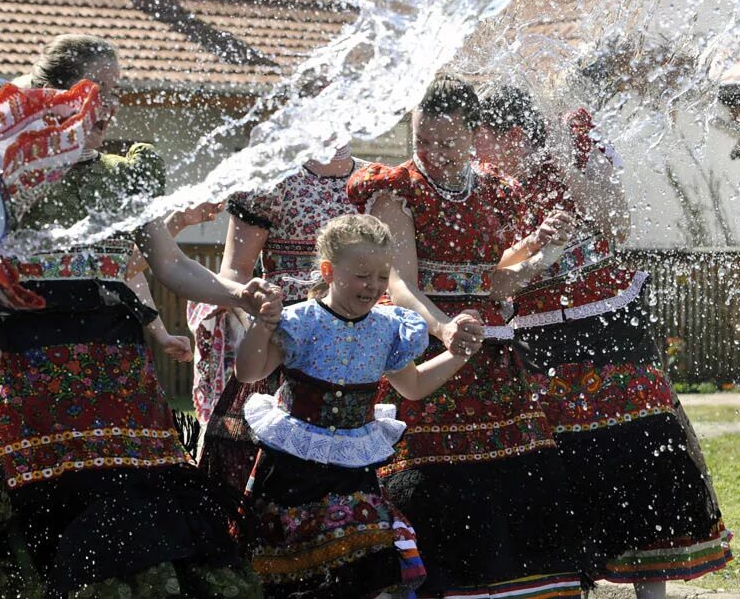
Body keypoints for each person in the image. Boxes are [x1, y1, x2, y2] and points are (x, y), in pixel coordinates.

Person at [0, 34, 274, 598]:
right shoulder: (3, 168)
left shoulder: (128, 174)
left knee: (139, 517)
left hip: (117, 379)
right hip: (27, 377)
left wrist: (236, 295)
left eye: (117, 93)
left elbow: (171, 264)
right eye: (99, 91)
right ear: (54, 95)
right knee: (37, 527)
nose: (110, 108)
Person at [476, 86, 732, 596]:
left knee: (638, 443)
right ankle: (578, 581)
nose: (471, 148)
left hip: (608, 316)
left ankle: (651, 587)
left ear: (509, 134)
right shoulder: (482, 187)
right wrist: (536, 252)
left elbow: (616, 223)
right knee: (559, 455)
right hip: (535, 330)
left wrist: (565, 161)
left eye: (478, 136)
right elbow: (492, 276)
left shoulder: (576, 137)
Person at [347, 76, 583, 598]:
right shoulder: (397, 190)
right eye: (422, 142)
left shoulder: (497, 191)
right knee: (437, 488)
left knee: (512, 483)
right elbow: (401, 284)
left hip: (495, 355)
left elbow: (499, 276)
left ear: (474, 136)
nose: (433, 154)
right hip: (431, 349)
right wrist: (444, 328)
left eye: (447, 143)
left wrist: (537, 248)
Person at [235, 213, 475, 599]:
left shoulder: (387, 328)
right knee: (292, 572)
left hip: (353, 464)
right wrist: (261, 328)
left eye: (382, 276)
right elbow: (248, 373)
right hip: (294, 464)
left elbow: (413, 386)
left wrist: (458, 354)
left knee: (370, 553)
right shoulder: (299, 321)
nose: (373, 286)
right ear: (329, 271)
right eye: (362, 275)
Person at [191, 146, 376, 495]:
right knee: (275, 469)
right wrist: (262, 323)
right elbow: (235, 270)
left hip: (359, 336)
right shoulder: (271, 178)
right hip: (287, 338)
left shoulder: (374, 182)